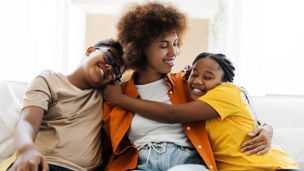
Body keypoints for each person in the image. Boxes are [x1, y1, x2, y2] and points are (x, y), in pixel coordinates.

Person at [101, 2, 273, 171]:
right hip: (141, 163)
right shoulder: (117, 92)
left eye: (175, 43)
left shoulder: (188, 84)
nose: (173, 52)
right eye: (163, 45)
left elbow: (236, 110)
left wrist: (267, 129)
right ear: (140, 48)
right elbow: (104, 144)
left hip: (187, 162)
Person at [104, 52, 298, 170]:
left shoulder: (227, 92)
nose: (197, 81)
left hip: (270, 167)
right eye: (194, 74)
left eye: (208, 76)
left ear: (224, 82)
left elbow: (172, 114)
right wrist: (266, 127)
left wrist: (120, 99)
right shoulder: (201, 103)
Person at [0, 39, 125, 171]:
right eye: (109, 58)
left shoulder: (105, 96)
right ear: (90, 51)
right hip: (44, 164)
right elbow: (28, 121)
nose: (110, 67)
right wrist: (27, 150)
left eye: (116, 71)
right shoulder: (49, 79)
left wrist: (120, 98)